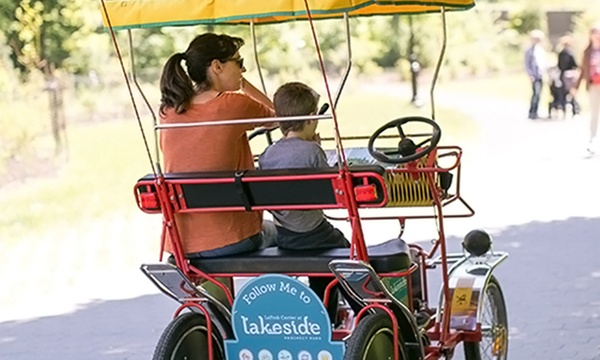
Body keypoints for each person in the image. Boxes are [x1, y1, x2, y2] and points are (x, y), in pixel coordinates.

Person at [159, 33, 276, 258]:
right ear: (217, 66)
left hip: (180, 244)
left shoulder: (169, 110)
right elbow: (277, 118)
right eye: (239, 62)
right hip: (233, 238)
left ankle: (221, 295)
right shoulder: (233, 104)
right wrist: (243, 86)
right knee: (284, 232)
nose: (243, 70)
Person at [258, 82, 353, 323]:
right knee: (344, 249)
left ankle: (324, 318)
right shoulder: (312, 152)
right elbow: (333, 190)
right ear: (311, 118)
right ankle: (358, 308)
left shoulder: (268, 154)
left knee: (325, 261)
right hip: (313, 233)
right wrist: (318, 148)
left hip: (285, 235)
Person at [573, 23, 600, 153]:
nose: (597, 36)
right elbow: (582, 69)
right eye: (595, 33)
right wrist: (576, 87)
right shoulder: (587, 52)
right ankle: (593, 139)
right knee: (594, 113)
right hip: (593, 85)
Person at [525, 29, 548, 120]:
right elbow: (527, 64)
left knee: (539, 94)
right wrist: (530, 74)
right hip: (534, 75)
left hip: (541, 74)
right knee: (536, 93)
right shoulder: (529, 51)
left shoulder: (540, 50)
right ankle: (532, 112)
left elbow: (543, 62)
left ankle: (536, 111)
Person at [557, 34, 580, 116]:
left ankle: (563, 109)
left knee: (564, 93)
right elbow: (575, 64)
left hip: (563, 75)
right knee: (572, 92)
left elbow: (559, 65)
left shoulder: (561, 53)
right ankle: (575, 109)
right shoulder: (571, 53)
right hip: (570, 75)